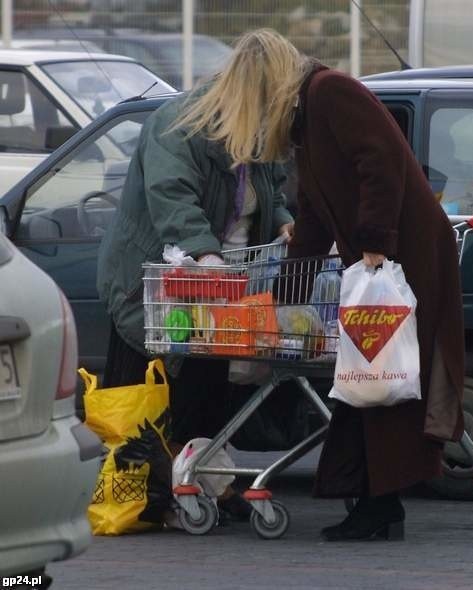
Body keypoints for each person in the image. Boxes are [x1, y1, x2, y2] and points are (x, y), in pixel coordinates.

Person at [212, 29, 464, 541]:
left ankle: (377, 507)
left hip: (401, 256)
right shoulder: (308, 118)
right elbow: (313, 214)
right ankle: (377, 505)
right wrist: (283, 299)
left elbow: (381, 162)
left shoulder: (330, 92)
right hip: (385, 258)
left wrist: (375, 240)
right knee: (372, 380)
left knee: (380, 378)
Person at [96, 30, 296, 523]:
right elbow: (173, 199)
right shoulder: (178, 125)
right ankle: (142, 499)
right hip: (155, 284)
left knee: (203, 392)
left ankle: (200, 482)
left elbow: (265, 196)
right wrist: (206, 256)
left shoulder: (253, 139)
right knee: (144, 396)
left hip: (218, 290)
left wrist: (284, 220)